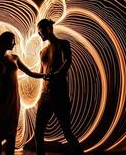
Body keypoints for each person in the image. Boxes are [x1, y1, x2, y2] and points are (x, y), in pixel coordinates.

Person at [35, 19, 83, 155]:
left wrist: (56, 74)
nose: (40, 34)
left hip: (59, 94)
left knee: (67, 131)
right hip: (45, 95)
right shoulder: (42, 51)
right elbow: (41, 73)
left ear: (49, 28)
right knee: (38, 132)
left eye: (42, 31)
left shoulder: (63, 44)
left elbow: (67, 62)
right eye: (38, 32)